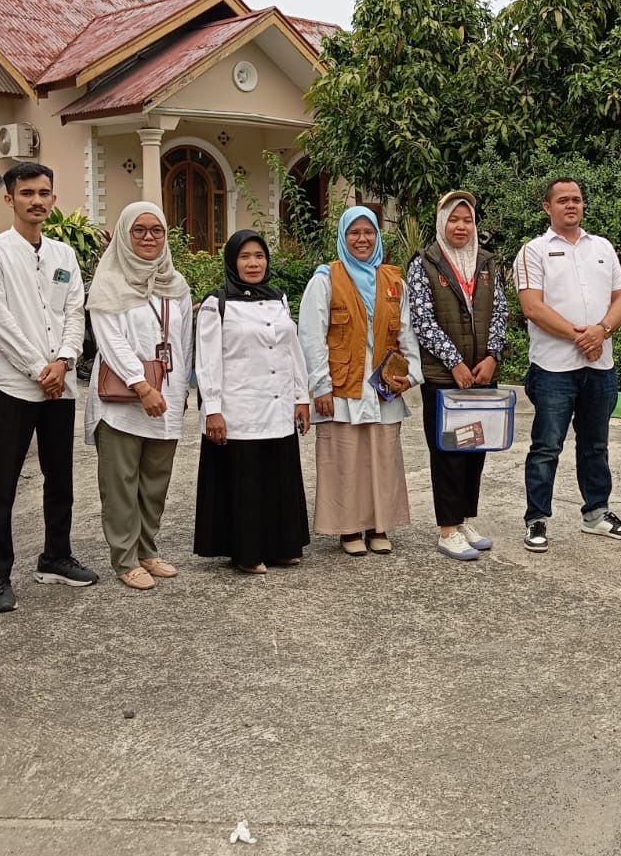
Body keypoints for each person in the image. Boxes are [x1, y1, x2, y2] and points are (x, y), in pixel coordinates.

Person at [0, 162, 97, 613]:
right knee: (1, 483)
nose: (37, 201)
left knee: (59, 475)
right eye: (27, 193)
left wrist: (63, 361)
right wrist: (37, 367)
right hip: (12, 387)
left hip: (58, 387)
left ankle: (56, 556)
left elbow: (74, 311)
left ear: (53, 198)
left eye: (44, 193)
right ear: (10, 199)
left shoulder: (64, 254)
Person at [513, 178, 621, 554]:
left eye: (577, 200)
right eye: (563, 200)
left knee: (595, 444)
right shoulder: (533, 251)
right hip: (553, 367)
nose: (572, 205)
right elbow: (532, 306)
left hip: (600, 366)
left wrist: (602, 331)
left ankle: (596, 513)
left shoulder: (602, 246)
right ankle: (537, 518)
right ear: (547, 208)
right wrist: (580, 336)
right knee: (547, 445)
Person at [84, 201, 194, 590]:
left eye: (156, 230)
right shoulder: (110, 280)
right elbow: (109, 339)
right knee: (121, 480)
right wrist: (141, 384)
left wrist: (179, 390)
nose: (149, 238)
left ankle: (147, 548)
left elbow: (182, 343)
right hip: (123, 398)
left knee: (154, 480)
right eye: (139, 230)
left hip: (166, 395)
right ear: (125, 235)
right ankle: (125, 558)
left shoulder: (174, 284)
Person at [298, 206, 420, 556]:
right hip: (341, 387)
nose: (362, 239)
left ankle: (378, 525)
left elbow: (407, 333)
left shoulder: (394, 282)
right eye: (354, 233)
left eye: (369, 232)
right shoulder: (325, 279)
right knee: (345, 458)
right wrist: (320, 386)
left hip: (383, 388)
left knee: (382, 458)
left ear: (377, 237)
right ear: (343, 237)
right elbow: (311, 335)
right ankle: (348, 529)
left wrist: (409, 375)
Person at [195, 229, 313, 572]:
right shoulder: (217, 304)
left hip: (277, 407)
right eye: (245, 257)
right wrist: (213, 410)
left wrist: (300, 396)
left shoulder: (278, 298)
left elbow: (293, 352)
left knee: (279, 477)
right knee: (245, 482)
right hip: (239, 409)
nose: (253, 263)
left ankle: (281, 546)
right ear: (233, 260)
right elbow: (208, 362)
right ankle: (246, 553)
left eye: (259, 256)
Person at [405, 191, 509, 561]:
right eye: (454, 219)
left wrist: (493, 356)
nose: (461, 226)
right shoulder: (425, 263)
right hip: (445, 376)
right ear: (442, 223)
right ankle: (447, 529)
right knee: (448, 451)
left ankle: (464, 519)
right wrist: (453, 361)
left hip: (481, 374)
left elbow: (500, 312)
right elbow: (421, 319)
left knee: (474, 448)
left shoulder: (486, 262)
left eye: (467, 220)